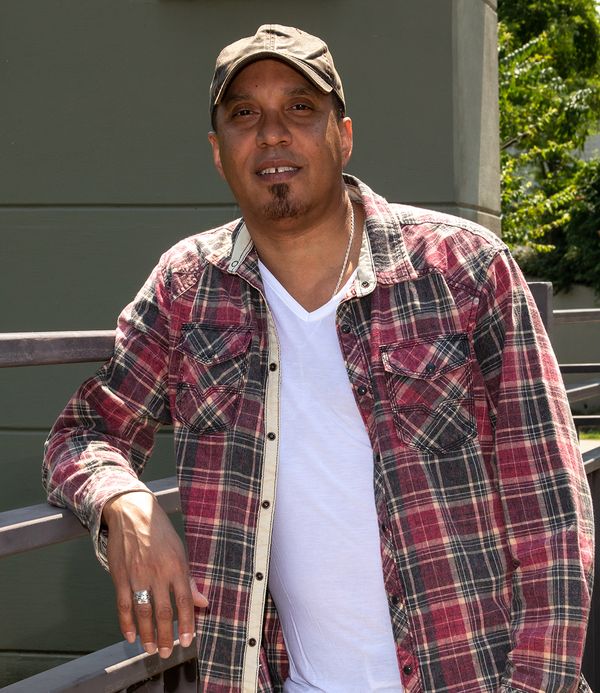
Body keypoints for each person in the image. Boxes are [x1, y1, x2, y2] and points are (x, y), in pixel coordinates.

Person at [43, 24, 594, 693]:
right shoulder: (188, 289)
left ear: (344, 135)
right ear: (218, 153)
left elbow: (553, 511)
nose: (272, 134)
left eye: (300, 108)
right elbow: (83, 434)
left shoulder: (463, 269)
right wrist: (125, 502)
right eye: (245, 114)